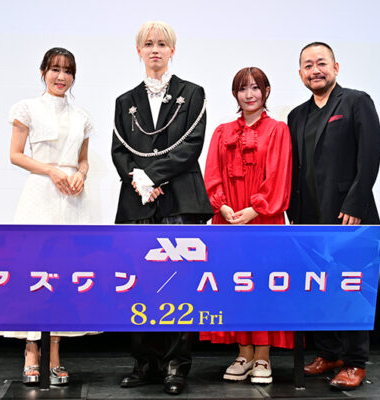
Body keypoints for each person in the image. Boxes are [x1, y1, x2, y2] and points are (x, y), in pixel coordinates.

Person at [111, 21, 213, 395]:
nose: (155, 49)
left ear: (172, 50)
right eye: (149, 44)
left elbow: (191, 146)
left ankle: (175, 365)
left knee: (178, 285)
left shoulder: (193, 93)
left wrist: (150, 177)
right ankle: (145, 362)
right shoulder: (124, 101)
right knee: (140, 284)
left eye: (162, 44)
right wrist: (139, 182)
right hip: (138, 203)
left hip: (180, 201)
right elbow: (119, 151)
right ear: (139, 51)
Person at [0, 47, 98, 386]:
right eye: (55, 69)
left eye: (68, 71)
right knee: (35, 270)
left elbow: (83, 159)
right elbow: (15, 155)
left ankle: (54, 352)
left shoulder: (82, 116)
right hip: (40, 193)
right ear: (43, 72)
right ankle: (31, 349)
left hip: (72, 198)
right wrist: (51, 171)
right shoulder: (27, 108)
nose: (61, 76)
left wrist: (81, 173)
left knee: (65, 273)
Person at [286, 42, 380, 390]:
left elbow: (370, 156)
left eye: (321, 63)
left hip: (349, 216)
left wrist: (356, 203)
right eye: (308, 65)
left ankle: (355, 362)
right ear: (300, 73)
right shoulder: (296, 115)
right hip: (308, 218)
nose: (315, 70)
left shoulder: (356, 102)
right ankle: (329, 353)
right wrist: (292, 213)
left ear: (335, 68)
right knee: (319, 288)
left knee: (352, 288)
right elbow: (296, 168)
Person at [200, 67, 293, 384]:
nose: (249, 94)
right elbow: (211, 173)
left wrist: (255, 209)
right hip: (228, 219)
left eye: (255, 88)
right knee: (234, 284)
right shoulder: (222, 131)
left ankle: (263, 355)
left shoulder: (278, 130)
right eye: (243, 89)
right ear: (235, 94)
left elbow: (279, 177)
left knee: (262, 285)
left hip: (264, 219)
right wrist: (222, 206)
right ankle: (244, 353)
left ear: (266, 91)